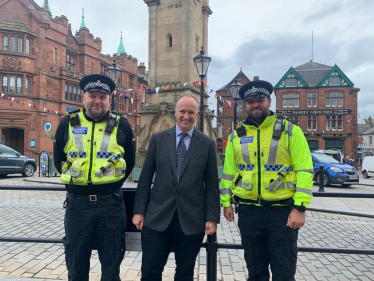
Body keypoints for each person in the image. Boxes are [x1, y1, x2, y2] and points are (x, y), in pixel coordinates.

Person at [220, 80, 313, 281]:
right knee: (256, 273)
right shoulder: (237, 135)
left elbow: (305, 170)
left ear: (269, 101)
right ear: (245, 105)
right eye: (251, 101)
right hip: (248, 212)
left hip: (282, 213)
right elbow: (228, 172)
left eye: (260, 100)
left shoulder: (290, 130)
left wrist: (300, 208)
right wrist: (226, 203)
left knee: (284, 274)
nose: (255, 105)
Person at [53, 74, 135, 281]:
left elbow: (130, 162)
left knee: (111, 263)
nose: (97, 101)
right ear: (84, 97)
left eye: (102, 97)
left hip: (111, 203)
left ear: (109, 99)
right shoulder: (67, 123)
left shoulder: (122, 125)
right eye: (92, 96)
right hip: (77, 205)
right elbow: (59, 160)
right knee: (76, 263)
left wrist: (112, 185)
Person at [132, 93, 220, 281]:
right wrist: (139, 211)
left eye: (190, 112)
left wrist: (212, 217)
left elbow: (212, 185)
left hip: (191, 219)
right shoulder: (158, 138)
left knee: (185, 274)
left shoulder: (207, 144)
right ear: (175, 112)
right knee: (149, 272)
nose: (186, 116)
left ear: (196, 114)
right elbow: (145, 178)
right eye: (182, 111)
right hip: (157, 217)